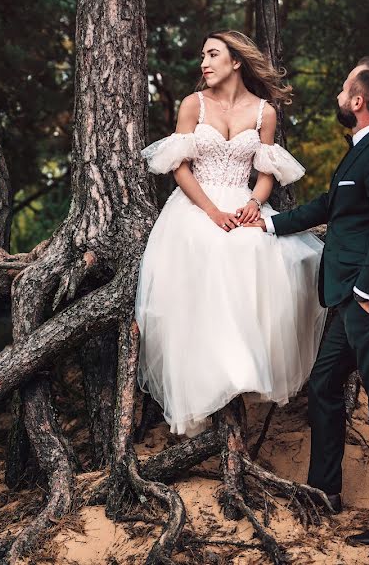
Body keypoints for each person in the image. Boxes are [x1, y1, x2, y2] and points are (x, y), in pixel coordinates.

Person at [247, 56, 369, 545]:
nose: (337, 95)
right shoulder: (360, 150)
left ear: (358, 102)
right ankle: (325, 490)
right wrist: (267, 221)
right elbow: (334, 207)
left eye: (343, 88)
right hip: (349, 300)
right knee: (326, 384)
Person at [134, 30, 327, 438]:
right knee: (207, 254)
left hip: (242, 204)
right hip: (195, 207)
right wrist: (211, 211)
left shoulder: (264, 113)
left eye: (213, 54)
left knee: (263, 252)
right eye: (202, 54)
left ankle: (245, 369)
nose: (203, 62)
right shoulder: (193, 104)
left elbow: (265, 175)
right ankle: (207, 381)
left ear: (236, 61)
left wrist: (253, 205)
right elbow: (179, 168)